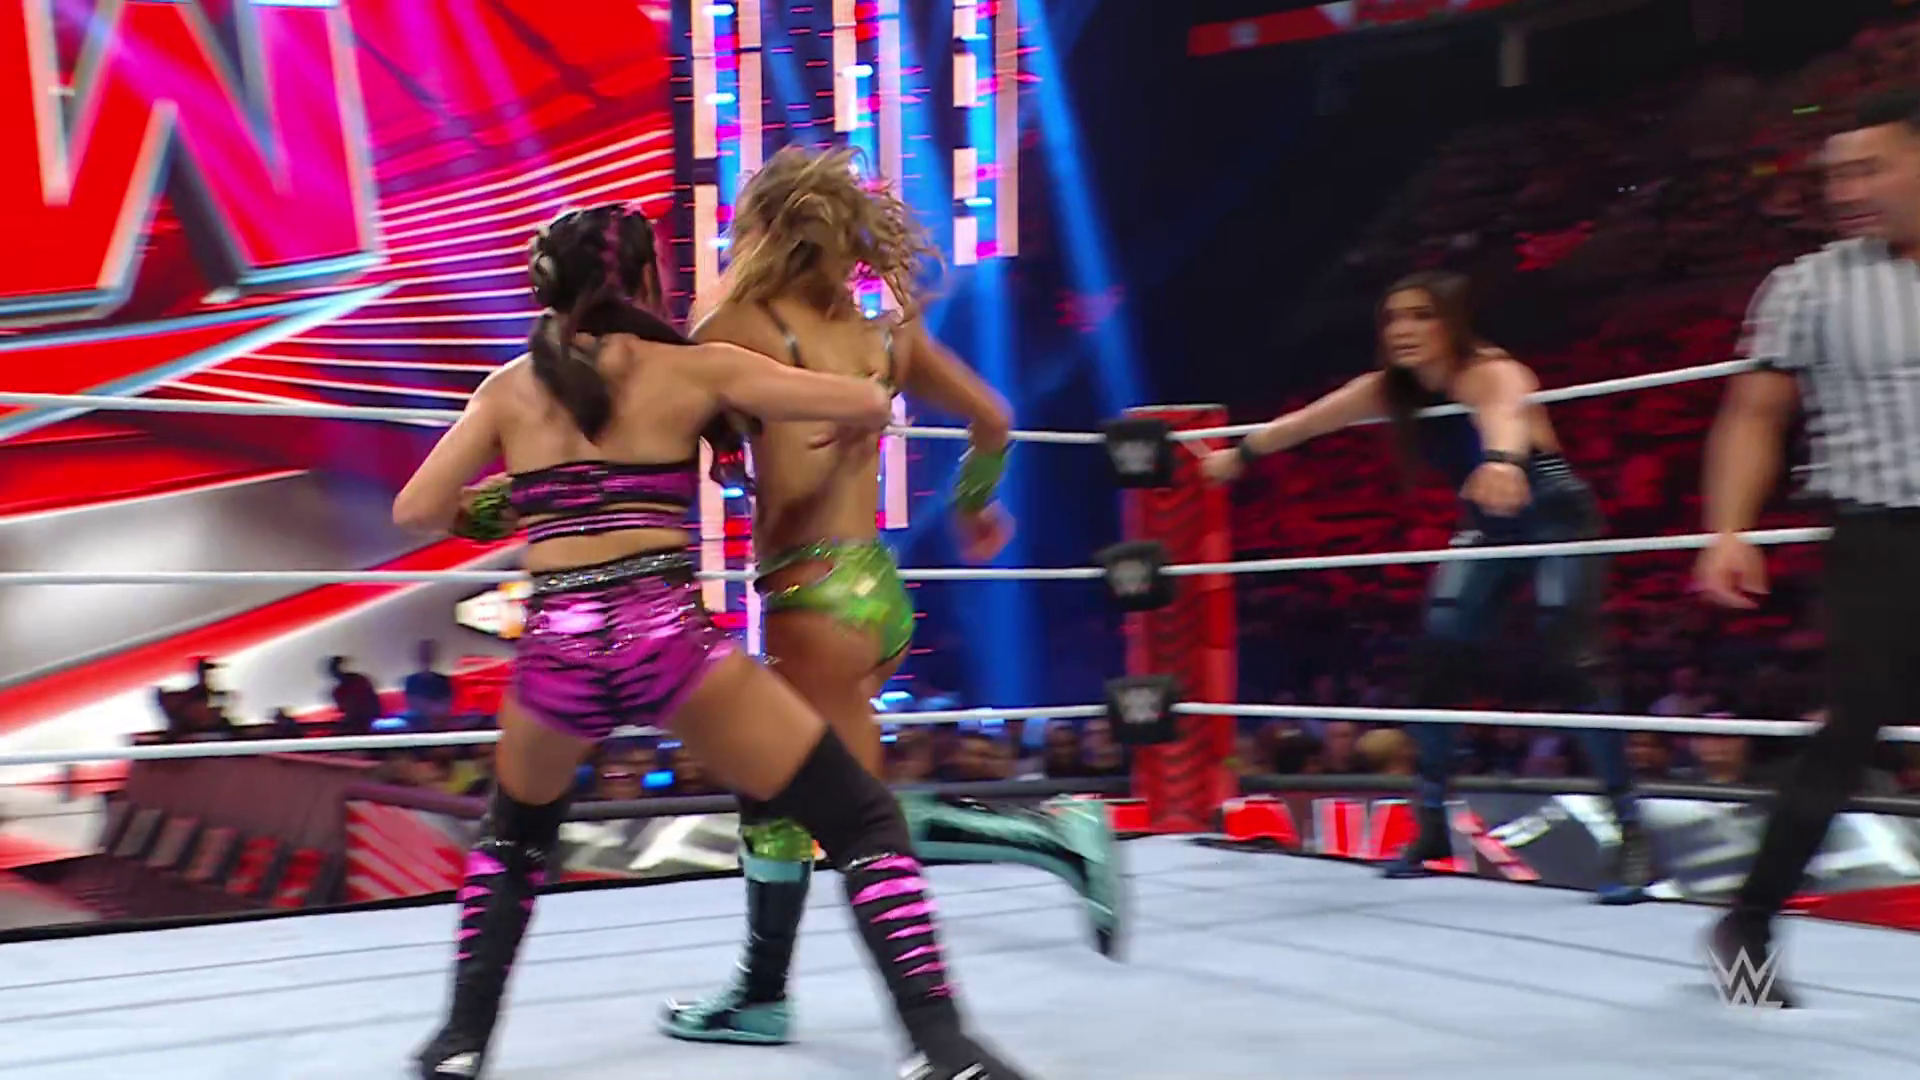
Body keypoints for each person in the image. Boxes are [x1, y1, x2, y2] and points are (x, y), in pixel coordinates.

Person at [395, 202, 1034, 1079]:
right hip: (666, 642)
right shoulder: (696, 368)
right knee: (859, 817)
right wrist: (851, 392)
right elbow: (863, 397)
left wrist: (527, 498)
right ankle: (945, 1047)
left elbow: (420, 509)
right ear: (644, 279)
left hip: (557, 647)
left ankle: (458, 1044)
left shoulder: (509, 387)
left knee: (513, 839)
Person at [659, 145, 1122, 1046]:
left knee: (849, 811)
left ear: (765, 230)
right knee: (775, 789)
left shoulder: (740, 324)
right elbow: (992, 418)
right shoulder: (885, 331)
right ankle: (760, 992)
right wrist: (974, 508)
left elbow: (677, 392)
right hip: (875, 592)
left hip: (813, 595)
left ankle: (1056, 835)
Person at [1201, 270, 1650, 903]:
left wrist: (1502, 462)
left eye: (1421, 315)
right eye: (1393, 318)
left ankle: (1631, 833)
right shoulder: (1390, 389)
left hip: (1553, 513)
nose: (1404, 329)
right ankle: (1432, 822)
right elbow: (1303, 423)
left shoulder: (1490, 369)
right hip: (1488, 522)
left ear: (1452, 322)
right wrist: (1238, 457)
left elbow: (1505, 410)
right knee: (1436, 653)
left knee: (1571, 656)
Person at [1694, 90, 1920, 1008]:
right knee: (1854, 724)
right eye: (1836, 176)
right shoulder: (1807, 285)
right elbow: (1754, 414)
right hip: (1878, 531)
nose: (1847, 190)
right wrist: (1729, 528)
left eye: (1869, 169)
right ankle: (1749, 921)